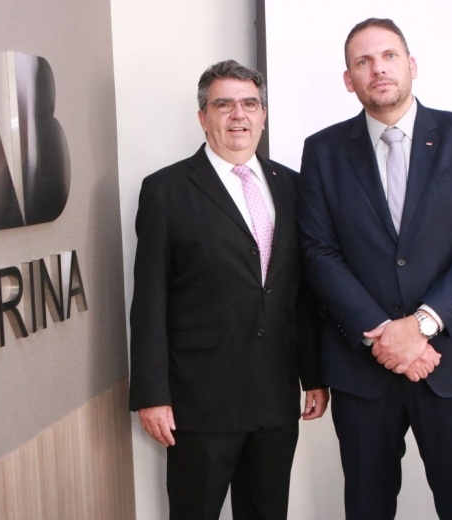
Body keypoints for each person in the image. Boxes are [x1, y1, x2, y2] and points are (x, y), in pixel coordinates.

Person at [297, 18, 452, 519]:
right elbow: (319, 253)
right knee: (367, 507)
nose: (378, 69)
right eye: (363, 61)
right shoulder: (323, 151)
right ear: (349, 79)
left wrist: (420, 327)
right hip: (363, 370)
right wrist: (383, 335)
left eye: (389, 56)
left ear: (411, 64)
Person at [129, 59, 328, 520]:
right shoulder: (165, 190)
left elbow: (301, 293)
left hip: (275, 398)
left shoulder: (293, 186)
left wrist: (313, 375)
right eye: (224, 105)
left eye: (250, 104)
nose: (239, 115)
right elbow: (149, 301)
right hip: (199, 403)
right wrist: (151, 395)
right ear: (203, 117)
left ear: (263, 115)